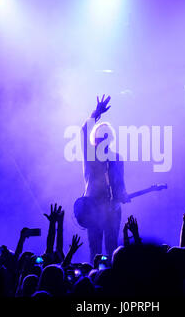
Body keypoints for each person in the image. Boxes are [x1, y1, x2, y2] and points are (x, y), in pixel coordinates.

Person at [81, 95, 130, 262]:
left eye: (107, 136)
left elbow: (120, 183)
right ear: (95, 139)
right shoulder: (90, 155)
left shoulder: (117, 158)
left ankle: (110, 279)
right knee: (95, 250)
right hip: (93, 207)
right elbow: (83, 130)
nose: (104, 139)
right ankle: (95, 279)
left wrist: (122, 194)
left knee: (112, 249)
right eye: (101, 136)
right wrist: (96, 112)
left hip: (112, 209)